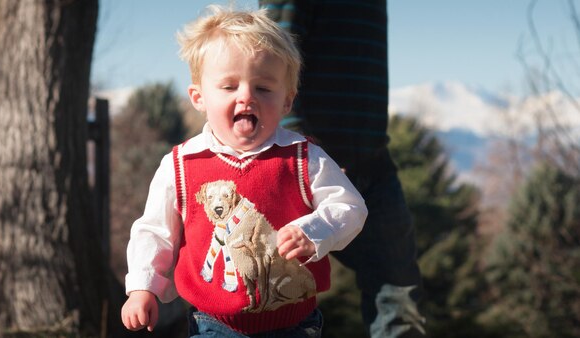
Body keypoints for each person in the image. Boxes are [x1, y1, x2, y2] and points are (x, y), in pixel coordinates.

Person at [120, 5, 368, 337]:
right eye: (229, 86)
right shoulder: (182, 164)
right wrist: (142, 288)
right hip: (213, 325)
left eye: (263, 88)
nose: (247, 97)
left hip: (293, 324)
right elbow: (155, 232)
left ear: (287, 101)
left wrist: (315, 230)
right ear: (199, 97)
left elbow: (350, 207)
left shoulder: (302, 157)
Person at [258, 0, 426, 337]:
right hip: (305, 166)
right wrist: (303, 151)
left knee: (398, 294)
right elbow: (271, 54)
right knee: (271, 302)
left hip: (374, 160)